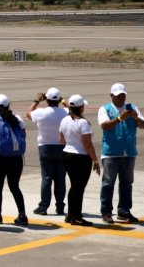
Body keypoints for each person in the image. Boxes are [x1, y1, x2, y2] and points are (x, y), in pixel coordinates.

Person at [98, 83, 144, 224]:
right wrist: (119, 119)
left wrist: (135, 117)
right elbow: (104, 126)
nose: (121, 98)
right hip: (111, 153)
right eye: (118, 95)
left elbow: (143, 125)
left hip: (129, 153)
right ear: (111, 95)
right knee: (108, 183)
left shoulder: (132, 108)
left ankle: (124, 211)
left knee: (127, 183)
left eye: (123, 95)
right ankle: (106, 212)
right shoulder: (105, 109)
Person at [0, 94, 28, 225]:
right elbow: (24, 134)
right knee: (15, 187)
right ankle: (22, 215)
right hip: (16, 159)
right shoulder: (18, 119)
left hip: (1, 159)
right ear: (9, 105)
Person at [59, 94, 101, 226]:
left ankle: (70, 214)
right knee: (79, 188)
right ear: (81, 107)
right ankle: (76, 216)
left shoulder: (64, 120)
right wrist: (95, 160)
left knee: (74, 186)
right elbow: (87, 144)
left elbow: (61, 140)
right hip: (81, 157)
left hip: (67, 154)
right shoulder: (83, 123)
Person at [26, 87, 68, 216]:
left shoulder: (41, 112)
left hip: (45, 147)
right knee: (60, 178)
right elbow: (73, 110)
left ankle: (43, 206)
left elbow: (29, 113)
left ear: (47, 100)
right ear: (58, 100)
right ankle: (60, 206)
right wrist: (63, 101)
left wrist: (37, 100)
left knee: (46, 178)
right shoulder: (65, 112)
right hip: (62, 147)